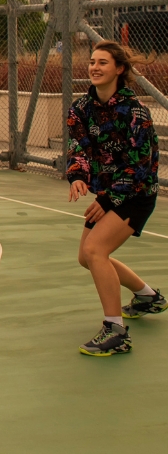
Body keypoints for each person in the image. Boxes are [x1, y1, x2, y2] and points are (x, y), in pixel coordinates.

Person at [67, 40, 165, 357]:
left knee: (96, 250)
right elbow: (79, 149)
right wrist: (79, 176)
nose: (94, 67)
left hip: (136, 194)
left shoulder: (136, 113)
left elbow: (140, 167)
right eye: (92, 62)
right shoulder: (80, 109)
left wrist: (108, 200)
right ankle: (148, 296)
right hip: (109, 195)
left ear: (119, 69)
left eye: (103, 62)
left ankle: (116, 331)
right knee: (87, 257)